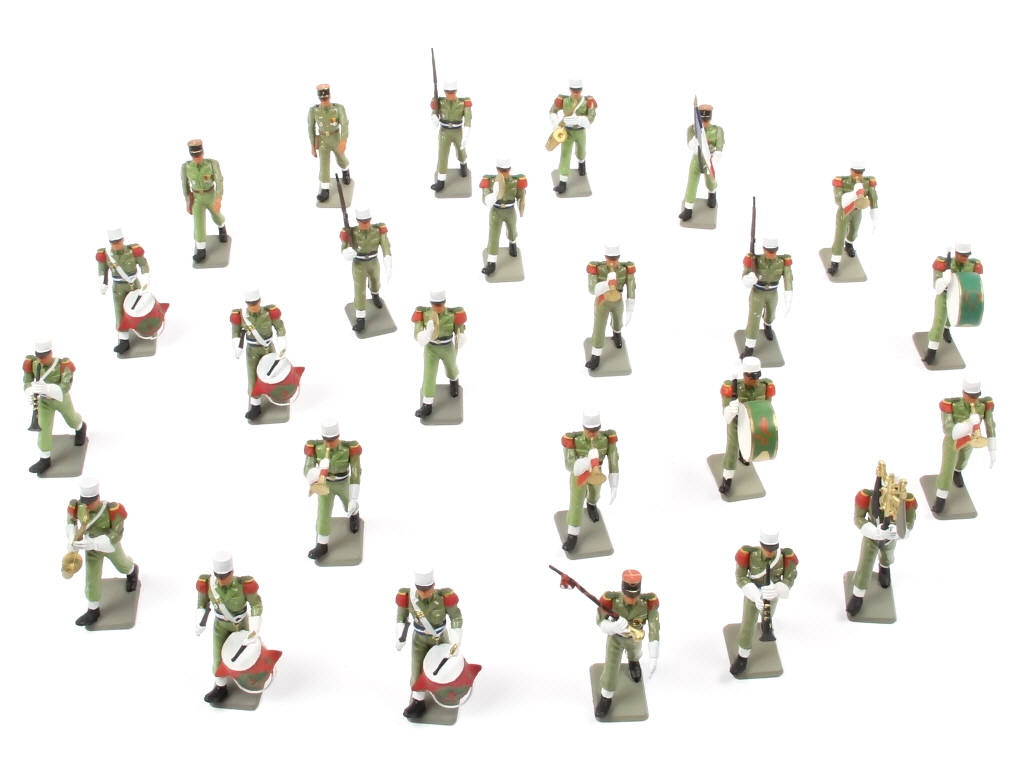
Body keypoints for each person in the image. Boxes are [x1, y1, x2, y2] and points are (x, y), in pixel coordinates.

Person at [64, 477, 139, 626]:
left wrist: (95, 543)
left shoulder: (112, 509)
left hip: (109, 546)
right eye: (85, 502)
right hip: (90, 549)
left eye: (90, 502)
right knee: (91, 578)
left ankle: (132, 571)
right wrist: (72, 539)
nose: (87, 505)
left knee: (122, 564)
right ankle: (93, 610)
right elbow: (70, 522)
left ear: (97, 498)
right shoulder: (78, 507)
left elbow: (116, 534)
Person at [846, 464, 917, 616]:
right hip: (872, 537)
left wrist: (899, 531)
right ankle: (858, 595)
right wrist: (874, 531)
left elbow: (909, 523)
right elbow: (858, 518)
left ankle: (884, 568)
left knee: (888, 556)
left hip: (891, 538)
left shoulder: (906, 501)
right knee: (865, 564)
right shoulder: (868, 497)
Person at [194, 552, 263, 704]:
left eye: (224, 576)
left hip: (240, 624)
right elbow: (202, 604)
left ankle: (249, 676)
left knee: (245, 653)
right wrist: (199, 621)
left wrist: (254, 628)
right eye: (218, 576)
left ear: (232, 572)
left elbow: (256, 604)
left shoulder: (243, 585)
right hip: (220, 626)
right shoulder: (208, 584)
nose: (221, 579)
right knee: (218, 655)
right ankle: (220, 687)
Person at [394, 569, 463, 719]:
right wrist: (400, 636)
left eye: (427, 589)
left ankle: (446, 692)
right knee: (417, 669)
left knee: (443, 667)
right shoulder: (408, 597)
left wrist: (456, 640)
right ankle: (418, 701)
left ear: (433, 586)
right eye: (420, 589)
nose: (424, 593)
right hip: (419, 640)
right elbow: (401, 618)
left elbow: (456, 618)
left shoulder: (444, 597)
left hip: (440, 639)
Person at [729, 529, 797, 676]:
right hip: (753, 596)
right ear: (761, 545)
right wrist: (755, 595)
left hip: (771, 596)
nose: (770, 553)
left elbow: (789, 578)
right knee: (748, 624)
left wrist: (778, 589)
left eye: (773, 549)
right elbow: (741, 577)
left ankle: (766, 627)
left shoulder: (785, 556)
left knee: (768, 617)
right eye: (767, 549)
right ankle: (743, 657)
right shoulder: (749, 554)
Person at [594, 569, 659, 718]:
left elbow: (654, 626)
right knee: (611, 668)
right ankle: (606, 697)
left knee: (635, 654)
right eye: (629, 596)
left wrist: (654, 655)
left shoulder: (646, 603)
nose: (632, 599)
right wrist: (612, 627)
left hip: (635, 639)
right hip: (616, 639)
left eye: (635, 596)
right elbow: (600, 620)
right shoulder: (611, 600)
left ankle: (633, 662)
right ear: (623, 591)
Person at [932, 375, 996, 514]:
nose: (973, 399)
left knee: (963, 460)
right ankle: (941, 498)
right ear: (963, 393)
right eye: (970, 396)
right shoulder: (952, 405)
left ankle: (958, 471)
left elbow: (990, 424)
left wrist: (992, 449)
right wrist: (968, 424)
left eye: (976, 396)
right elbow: (948, 429)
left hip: (970, 439)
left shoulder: (983, 406)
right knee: (947, 467)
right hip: (953, 442)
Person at [23, 338, 86, 474]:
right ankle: (44, 458)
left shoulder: (62, 365)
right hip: (43, 402)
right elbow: (27, 381)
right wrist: (31, 390)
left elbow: (65, 386)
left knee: (72, 419)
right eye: (39, 356)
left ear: (50, 353)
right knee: (43, 428)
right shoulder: (33, 364)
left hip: (60, 399)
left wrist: (48, 388)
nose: (41, 359)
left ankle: (80, 427)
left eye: (44, 356)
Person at [561, 409, 619, 552]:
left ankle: (591, 505)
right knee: (576, 502)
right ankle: (572, 534)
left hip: (596, 472)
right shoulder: (574, 440)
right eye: (589, 430)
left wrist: (614, 484)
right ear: (583, 427)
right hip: (579, 474)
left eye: (595, 430)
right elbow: (569, 464)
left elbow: (613, 459)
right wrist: (587, 461)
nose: (592, 433)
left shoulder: (605, 439)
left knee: (595, 494)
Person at [303, 419, 362, 559]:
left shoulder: (348, 449)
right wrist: (316, 472)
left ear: (338, 436)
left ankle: (354, 515)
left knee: (349, 504)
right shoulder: (317, 448)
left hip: (343, 483)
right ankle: (322, 544)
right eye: (326, 440)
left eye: (333, 440)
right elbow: (307, 468)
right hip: (325, 484)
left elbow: (356, 471)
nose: (329, 443)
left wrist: (354, 498)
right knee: (323, 512)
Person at [718, 357, 775, 494]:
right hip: (736, 423)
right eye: (751, 377)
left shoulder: (764, 386)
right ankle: (727, 478)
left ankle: (744, 456)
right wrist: (731, 410)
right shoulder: (731, 388)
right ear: (744, 375)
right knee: (733, 448)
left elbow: (767, 408)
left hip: (754, 423)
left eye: (757, 377)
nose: (755, 380)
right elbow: (726, 416)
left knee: (751, 442)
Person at [230, 290, 287, 421]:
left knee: (273, 372)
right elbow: (235, 333)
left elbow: (279, 327)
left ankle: (276, 395)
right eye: (250, 304)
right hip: (252, 351)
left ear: (260, 301)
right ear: (246, 303)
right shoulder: (241, 316)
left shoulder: (269, 313)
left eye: (255, 303)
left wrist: (282, 342)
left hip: (268, 348)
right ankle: (255, 406)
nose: (253, 306)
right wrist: (237, 347)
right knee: (253, 377)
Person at [924, 243, 983, 364]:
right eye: (962, 255)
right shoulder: (943, 263)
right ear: (956, 253)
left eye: (967, 255)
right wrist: (944, 280)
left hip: (959, 295)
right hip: (944, 294)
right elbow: (937, 287)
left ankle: (946, 330)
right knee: (939, 320)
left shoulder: (972, 265)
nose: (965, 258)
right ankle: (931, 351)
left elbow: (974, 281)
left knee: (953, 315)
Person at [412, 289, 466, 418]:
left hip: (447, 347)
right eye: (435, 304)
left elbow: (459, 328)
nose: (438, 307)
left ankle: (454, 381)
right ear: (431, 303)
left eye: (440, 304)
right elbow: (417, 332)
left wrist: (460, 336)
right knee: (429, 374)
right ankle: (427, 404)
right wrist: (425, 334)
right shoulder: (424, 314)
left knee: (452, 367)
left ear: (444, 302)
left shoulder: (452, 315)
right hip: (431, 348)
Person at [96, 228, 150, 354]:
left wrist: (146, 278)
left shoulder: (133, 251)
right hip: (118, 288)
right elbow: (102, 271)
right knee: (119, 312)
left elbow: (143, 264)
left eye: (118, 241)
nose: (116, 245)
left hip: (134, 285)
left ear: (123, 240)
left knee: (139, 307)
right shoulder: (106, 255)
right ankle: (124, 341)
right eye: (113, 243)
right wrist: (102, 283)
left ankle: (145, 329)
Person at [340, 209, 392, 333]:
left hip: (374, 261)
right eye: (362, 222)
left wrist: (388, 260)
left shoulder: (377, 230)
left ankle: (375, 295)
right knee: (360, 290)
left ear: (370, 220)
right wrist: (347, 252)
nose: (365, 224)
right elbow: (344, 247)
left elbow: (385, 245)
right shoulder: (350, 232)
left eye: (367, 221)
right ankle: (360, 319)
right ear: (358, 221)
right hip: (359, 264)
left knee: (375, 281)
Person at [585, 246, 636, 370]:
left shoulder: (624, 269)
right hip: (603, 302)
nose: (612, 262)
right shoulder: (598, 268)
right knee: (599, 328)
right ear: (605, 257)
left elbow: (631, 287)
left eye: (615, 258)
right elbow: (592, 289)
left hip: (617, 301)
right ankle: (596, 356)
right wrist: (607, 284)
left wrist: (630, 308)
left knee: (618, 322)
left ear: (619, 257)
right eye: (609, 258)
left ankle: (617, 334)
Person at [740, 239, 792, 358]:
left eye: (773, 251)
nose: (771, 254)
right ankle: (749, 347)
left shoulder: (782, 262)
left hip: (773, 293)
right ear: (764, 249)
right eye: (768, 251)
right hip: (757, 293)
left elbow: (788, 278)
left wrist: (788, 296)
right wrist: (749, 279)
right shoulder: (754, 260)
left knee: (771, 314)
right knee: (754, 319)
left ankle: (767, 325)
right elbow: (744, 276)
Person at [180, 139, 227, 263]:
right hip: (197, 199)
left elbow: (219, 180)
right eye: (194, 156)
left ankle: (222, 227)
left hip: (210, 195)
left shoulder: (212, 164)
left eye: (199, 155)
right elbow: (184, 184)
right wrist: (188, 200)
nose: (197, 158)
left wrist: (218, 198)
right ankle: (201, 249)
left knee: (217, 215)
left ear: (203, 153)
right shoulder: (186, 167)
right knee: (198, 223)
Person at [827, 162, 878, 275]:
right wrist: (855, 193)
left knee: (854, 231)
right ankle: (835, 261)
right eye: (856, 172)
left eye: (861, 172)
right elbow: (839, 200)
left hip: (857, 211)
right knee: (840, 234)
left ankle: (849, 244)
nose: (858, 175)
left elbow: (873, 198)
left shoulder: (867, 182)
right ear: (851, 170)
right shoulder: (842, 181)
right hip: (844, 211)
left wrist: (875, 217)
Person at [549, 80, 597, 194]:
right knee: (565, 155)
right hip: (567, 132)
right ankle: (563, 182)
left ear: (581, 90)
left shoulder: (587, 101)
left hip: (580, 131)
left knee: (581, 151)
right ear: (570, 89)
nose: (576, 92)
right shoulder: (564, 100)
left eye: (578, 90)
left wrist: (580, 120)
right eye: (573, 90)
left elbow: (592, 116)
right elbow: (552, 111)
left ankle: (582, 164)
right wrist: (556, 123)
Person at [479, 159, 526, 275]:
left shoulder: (516, 181)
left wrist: (522, 202)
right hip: (496, 211)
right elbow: (485, 199)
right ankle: (491, 262)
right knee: (493, 235)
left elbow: (521, 196)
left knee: (512, 229)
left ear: (510, 169)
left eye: (506, 170)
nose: (504, 173)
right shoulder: (490, 181)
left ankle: (512, 243)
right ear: (497, 169)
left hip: (510, 210)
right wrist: (493, 195)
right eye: (501, 170)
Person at [680, 103, 723, 220]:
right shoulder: (692, 129)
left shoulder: (718, 130)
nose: (704, 122)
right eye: (702, 119)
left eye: (706, 119)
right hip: (697, 158)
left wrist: (713, 160)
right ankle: (688, 209)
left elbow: (719, 148)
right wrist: (697, 138)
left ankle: (712, 194)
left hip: (709, 159)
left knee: (710, 181)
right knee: (692, 182)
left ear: (710, 117)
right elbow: (691, 145)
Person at [308, 84, 350, 201]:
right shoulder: (314, 111)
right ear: (319, 97)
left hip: (336, 138)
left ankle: (345, 172)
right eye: (322, 98)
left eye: (326, 97)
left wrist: (343, 141)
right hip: (323, 141)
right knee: (324, 164)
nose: (324, 100)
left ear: (330, 96)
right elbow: (311, 128)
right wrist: (313, 145)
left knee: (341, 158)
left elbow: (344, 125)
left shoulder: (338, 108)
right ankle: (325, 188)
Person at [430, 80, 471, 191]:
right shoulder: (440, 102)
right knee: (442, 155)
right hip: (444, 132)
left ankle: (463, 165)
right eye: (448, 92)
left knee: (461, 151)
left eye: (452, 92)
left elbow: (468, 118)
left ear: (456, 91)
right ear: (444, 91)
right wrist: (433, 116)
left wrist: (467, 132)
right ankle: (441, 181)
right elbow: (434, 110)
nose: (450, 94)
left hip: (458, 132)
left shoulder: (463, 102)